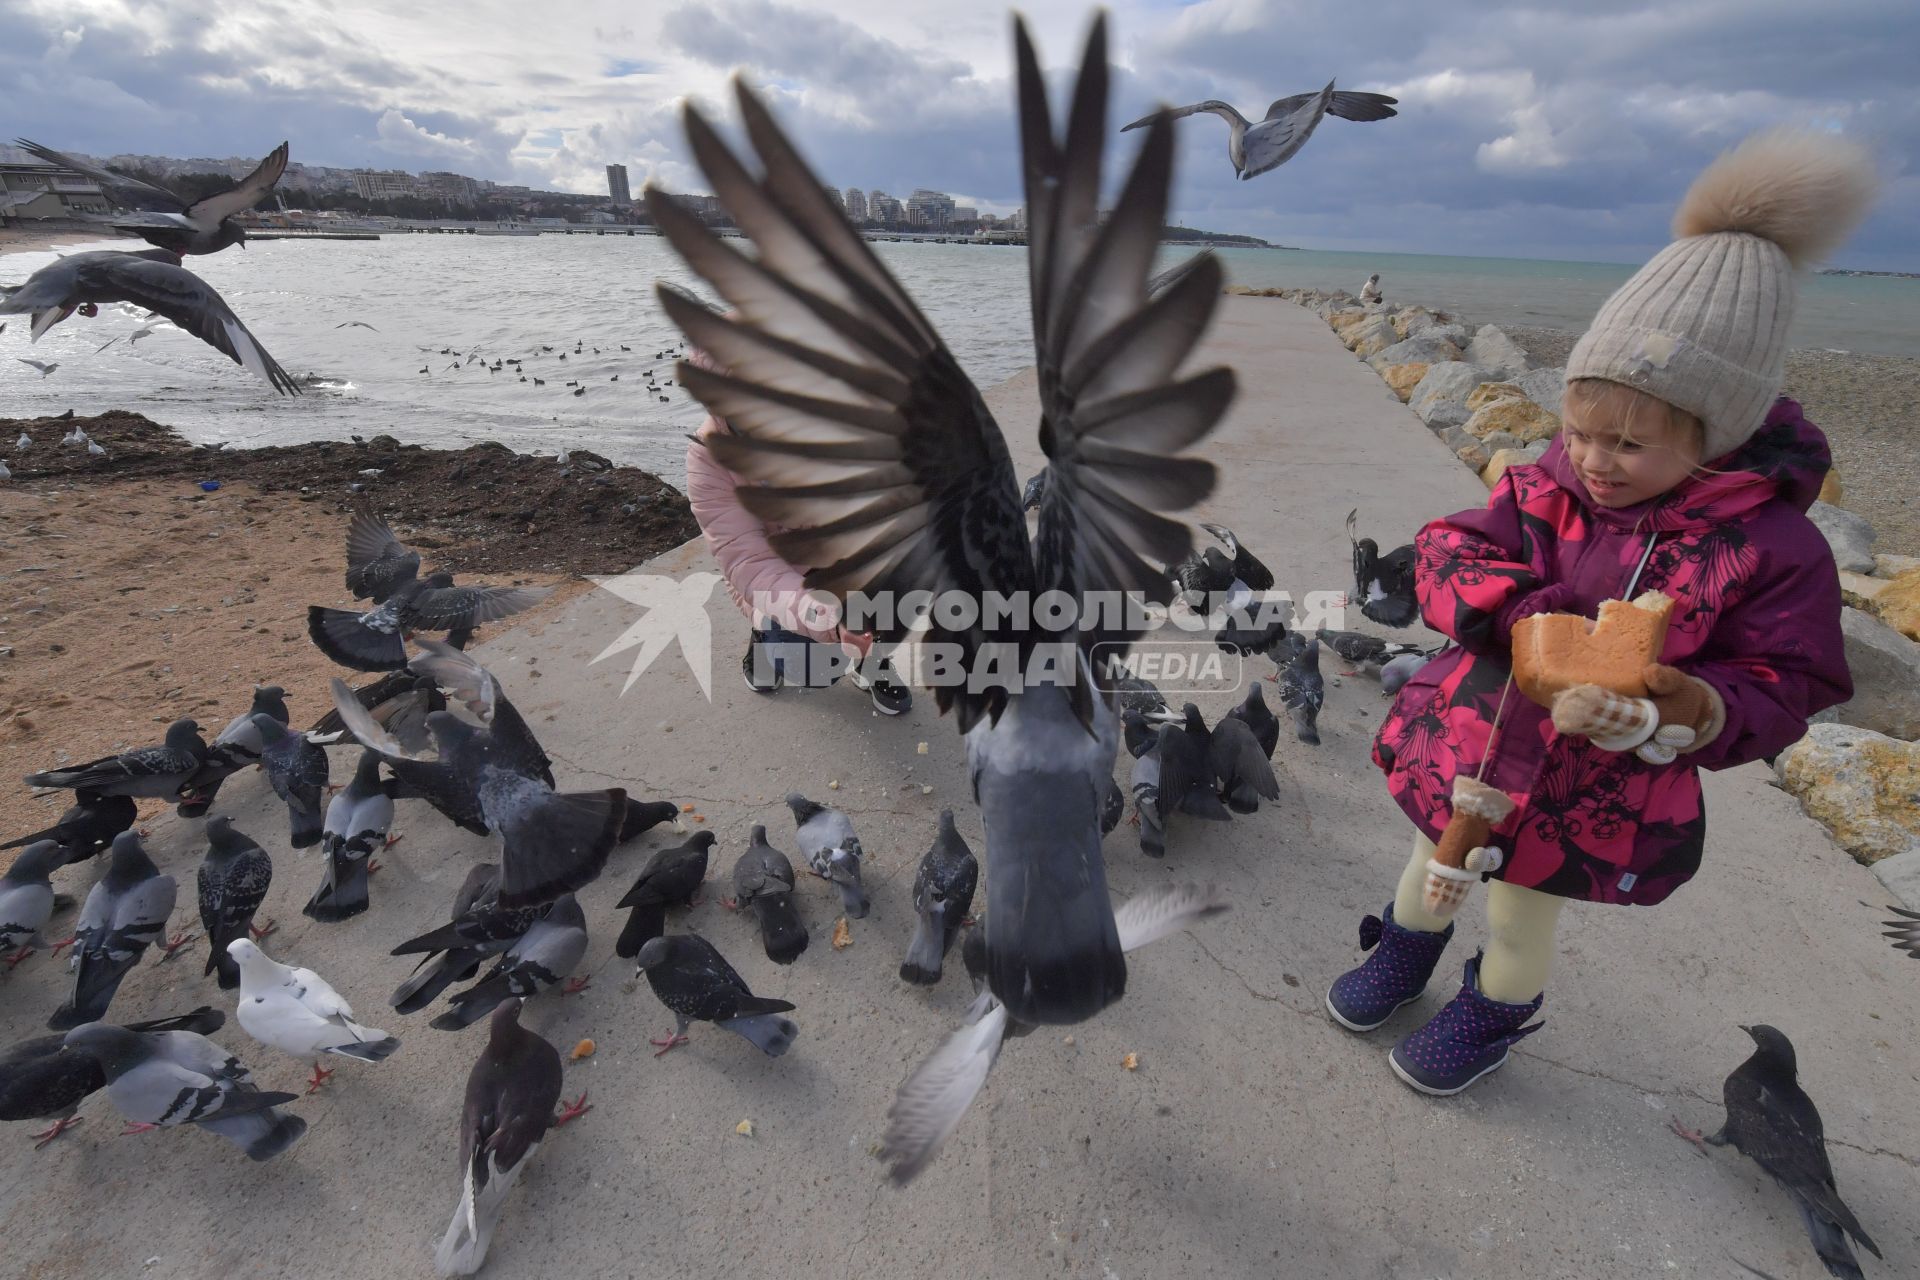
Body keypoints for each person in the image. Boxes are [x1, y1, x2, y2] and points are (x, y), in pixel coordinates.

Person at [1326, 127, 1875, 1095]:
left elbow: (1789, 679)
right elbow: (1453, 545)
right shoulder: (1549, 482)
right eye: (1579, 432)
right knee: (1430, 859)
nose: (1592, 460)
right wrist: (1511, 611)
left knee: (1521, 912)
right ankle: (1404, 950)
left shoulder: (1775, 549)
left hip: (1595, 783)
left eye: (1628, 443)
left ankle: (1492, 1012)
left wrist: (1681, 706)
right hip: (1475, 736)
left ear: (1719, 433)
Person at [682, 347, 912, 714]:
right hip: (777, 577)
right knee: (813, 666)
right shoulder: (708, 460)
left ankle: (872, 659)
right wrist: (832, 623)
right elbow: (750, 563)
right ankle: (764, 638)